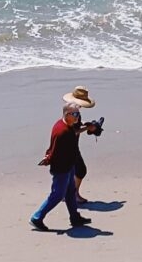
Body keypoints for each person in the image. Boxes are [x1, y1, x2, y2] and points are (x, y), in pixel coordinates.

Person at [30, 102, 92, 231]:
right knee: (57, 195)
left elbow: (75, 132)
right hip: (61, 169)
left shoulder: (68, 125)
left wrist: (88, 128)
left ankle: (75, 217)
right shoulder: (61, 131)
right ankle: (37, 217)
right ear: (67, 114)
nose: (77, 117)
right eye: (75, 114)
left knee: (71, 192)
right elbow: (54, 150)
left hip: (69, 166)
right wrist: (48, 158)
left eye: (78, 114)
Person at [62, 85, 97, 205]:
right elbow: (73, 132)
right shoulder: (73, 113)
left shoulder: (71, 111)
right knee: (80, 170)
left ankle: (68, 193)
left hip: (69, 146)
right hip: (69, 147)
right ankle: (72, 195)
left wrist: (87, 126)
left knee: (72, 171)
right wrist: (87, 127)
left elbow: (74, 127)